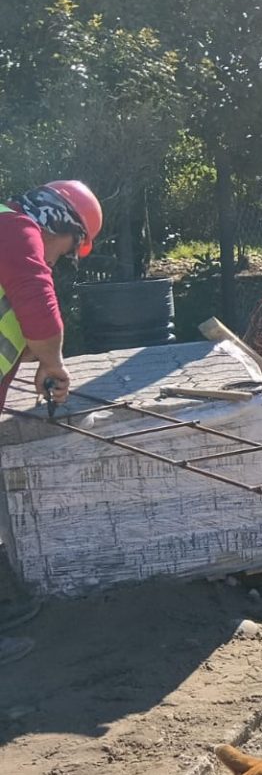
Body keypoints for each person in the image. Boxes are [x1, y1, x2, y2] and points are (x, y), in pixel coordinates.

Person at [0, 179, 103, 665]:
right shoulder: (14, 228)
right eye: (69, 246)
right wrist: (55, 361)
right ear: (58, 221)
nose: (61, 258)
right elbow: (37, 304)